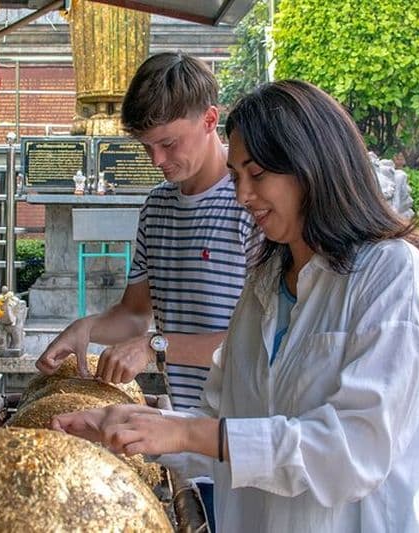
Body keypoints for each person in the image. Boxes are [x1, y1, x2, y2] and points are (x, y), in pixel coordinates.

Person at [52, 80, 419, 531]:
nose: (243, 196)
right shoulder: (265, 284)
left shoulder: (391, 275)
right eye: (237, 175)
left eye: (257, 174)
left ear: (312, 165)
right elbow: (223, 429)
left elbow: (351, 450)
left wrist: (185, 430)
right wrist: (132, 426)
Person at [37, 52, 260, 412]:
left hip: (244, 426)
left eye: (169, 144)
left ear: (210, 119)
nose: (156, 160)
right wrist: (86, 329)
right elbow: (135, 313)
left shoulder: (252, 204)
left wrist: (156, 345)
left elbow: (263, 342)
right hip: (184, 421)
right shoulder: (157, 207)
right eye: (146, 146)